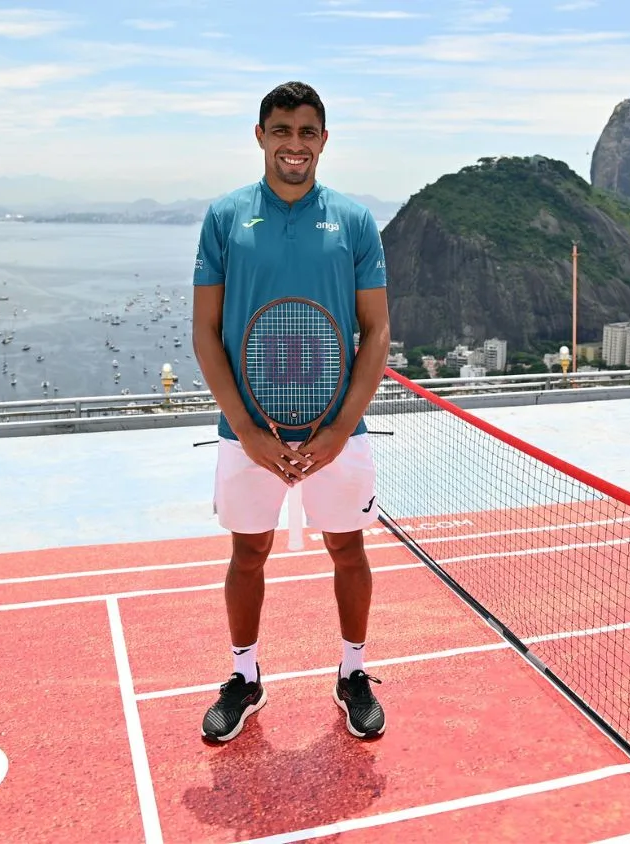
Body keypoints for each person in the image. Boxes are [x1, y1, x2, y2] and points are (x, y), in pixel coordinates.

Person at [190, 81, 391, 742]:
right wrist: (246, 431)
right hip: (245, 433)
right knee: (247, 555)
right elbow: (205, 332)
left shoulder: (356, 223)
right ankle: (245, 679)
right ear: (261, 136)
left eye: (307, 132)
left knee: (348, 550)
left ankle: (353, 673)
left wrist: (337, 431)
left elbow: (377, 334)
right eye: (282, 130)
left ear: (323, 141)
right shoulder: (225, 218)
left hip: (339, 432)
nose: (295, 144)